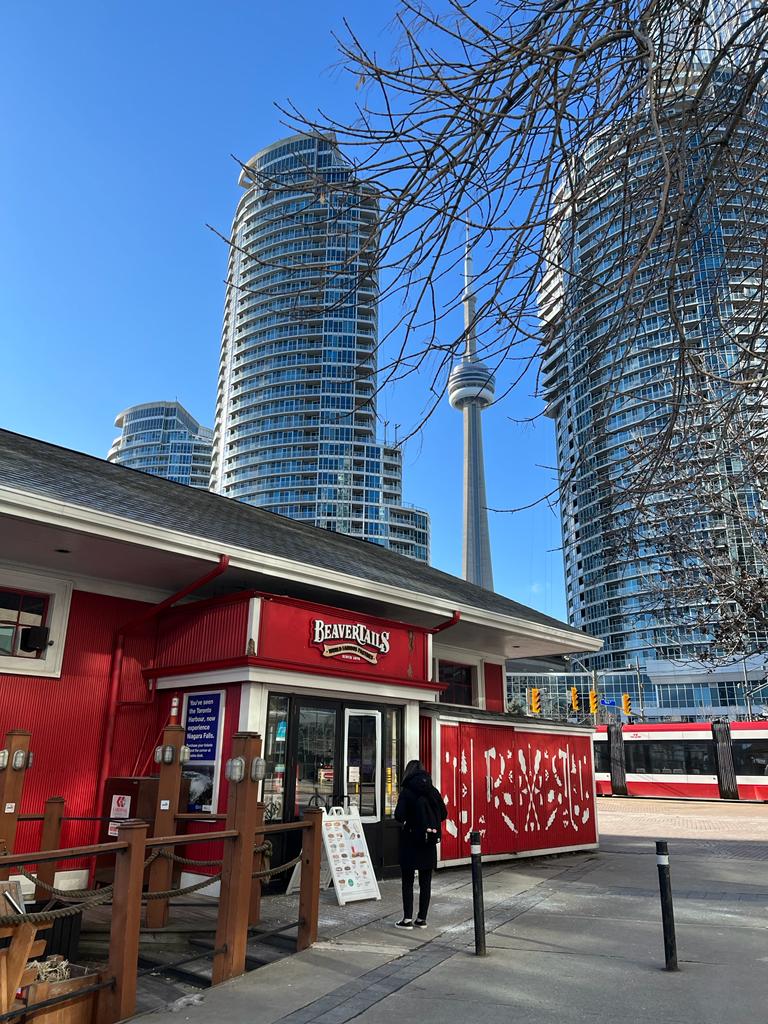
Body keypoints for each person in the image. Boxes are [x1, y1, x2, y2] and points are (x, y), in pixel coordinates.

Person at [393, 759, 447, 929]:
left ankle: (407, 919)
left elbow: (399, 816)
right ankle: (422, 919)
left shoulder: (407, 791)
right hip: (428, 841)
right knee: (426, 881)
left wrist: (411, 821)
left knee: (408, 881)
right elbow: (444, 813)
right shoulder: (432, 791)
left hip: (410, 841)